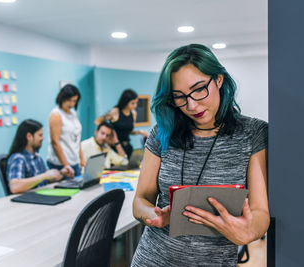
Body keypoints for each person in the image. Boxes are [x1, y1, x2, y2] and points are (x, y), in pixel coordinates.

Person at [131, 44, 269, 266]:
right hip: (153, 259)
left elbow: (260, 211)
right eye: (180, 96)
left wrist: (249, 232)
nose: (192, 105)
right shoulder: (162, 133)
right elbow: (140, 200)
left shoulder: (252, 133)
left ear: (219, 80)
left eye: (198, 89)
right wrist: (153, 215)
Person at [6, 119, 64, 194]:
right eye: (40, 135)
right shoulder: (18, 158)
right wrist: (44, 175)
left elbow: (43, 180)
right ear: (29, 136)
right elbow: (15, 187)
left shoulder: (37, 157)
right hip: (28, 201)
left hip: (42, 196)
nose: (42, 138)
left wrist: (59, 174)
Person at [95, 89, 148, 158]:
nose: (135, 105)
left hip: (127, 146)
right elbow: (97, 121)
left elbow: (129, 131)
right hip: (114, 147)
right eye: (132, 103)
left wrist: (140, 132)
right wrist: (107, 134)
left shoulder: (134, 114)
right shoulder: (115, 111)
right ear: (126, 102)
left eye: (136, 103)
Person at [47, 84, 85, 178]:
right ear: (62, 98)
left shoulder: (73, 113)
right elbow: (55, 142)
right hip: (61, 163)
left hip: (74, 161)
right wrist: (66, 165)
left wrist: (81, 159)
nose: (71, 104)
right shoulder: (56, 115)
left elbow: (77, 138)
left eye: (74, 101)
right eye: (69, 100)